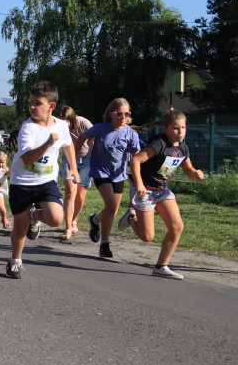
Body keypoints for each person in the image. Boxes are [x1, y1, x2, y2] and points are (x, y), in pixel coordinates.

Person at [117, 110, 204, 280]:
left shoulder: (183, 148)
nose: (180, 132)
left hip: (162, 191)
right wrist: (140, 183)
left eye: (183, 128)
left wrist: (196, 174)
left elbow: (188, 170)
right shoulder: (159, 144)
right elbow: (135, 160)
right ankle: (130, 218)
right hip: (145, 190)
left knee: (177, 227)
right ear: (165, 128)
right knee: (147, 237)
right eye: (175, 128)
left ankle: (161, 266)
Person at [5, 81, 78, 279]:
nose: (32, 107)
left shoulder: (62, 125)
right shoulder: (28, 128)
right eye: (31, 103)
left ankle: (34, 217)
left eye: (37, 103)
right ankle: (15, 261)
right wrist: (47, 144)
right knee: (19, 227)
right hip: (22, 181)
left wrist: (73, 167)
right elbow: (27, 158)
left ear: (51, 106)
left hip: (46, 181)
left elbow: (68, 144)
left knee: (56, 218)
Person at [85, 97, 142, 259]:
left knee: (113, 210)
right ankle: (105, 244)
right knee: (110, 204)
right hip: (100, 172)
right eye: (119, 113)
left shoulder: (130, 133)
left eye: (126, 114)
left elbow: (136, 156)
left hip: (119, 174)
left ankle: (95, 220)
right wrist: (77, 157)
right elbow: (83, 137)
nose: (123, 117)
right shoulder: (100, 128)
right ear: (110, 113)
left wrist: (138, 177)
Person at [54, 105, 93, 241]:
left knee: (80, 196)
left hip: (86, 159)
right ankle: (68, 227)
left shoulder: (84, 123)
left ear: (71, 119)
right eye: (59, 120)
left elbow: (95, 138)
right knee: (70, 191)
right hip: (68, 159)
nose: (61, 124)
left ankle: (74, 219)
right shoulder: (57, 126)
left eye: (64, 121)